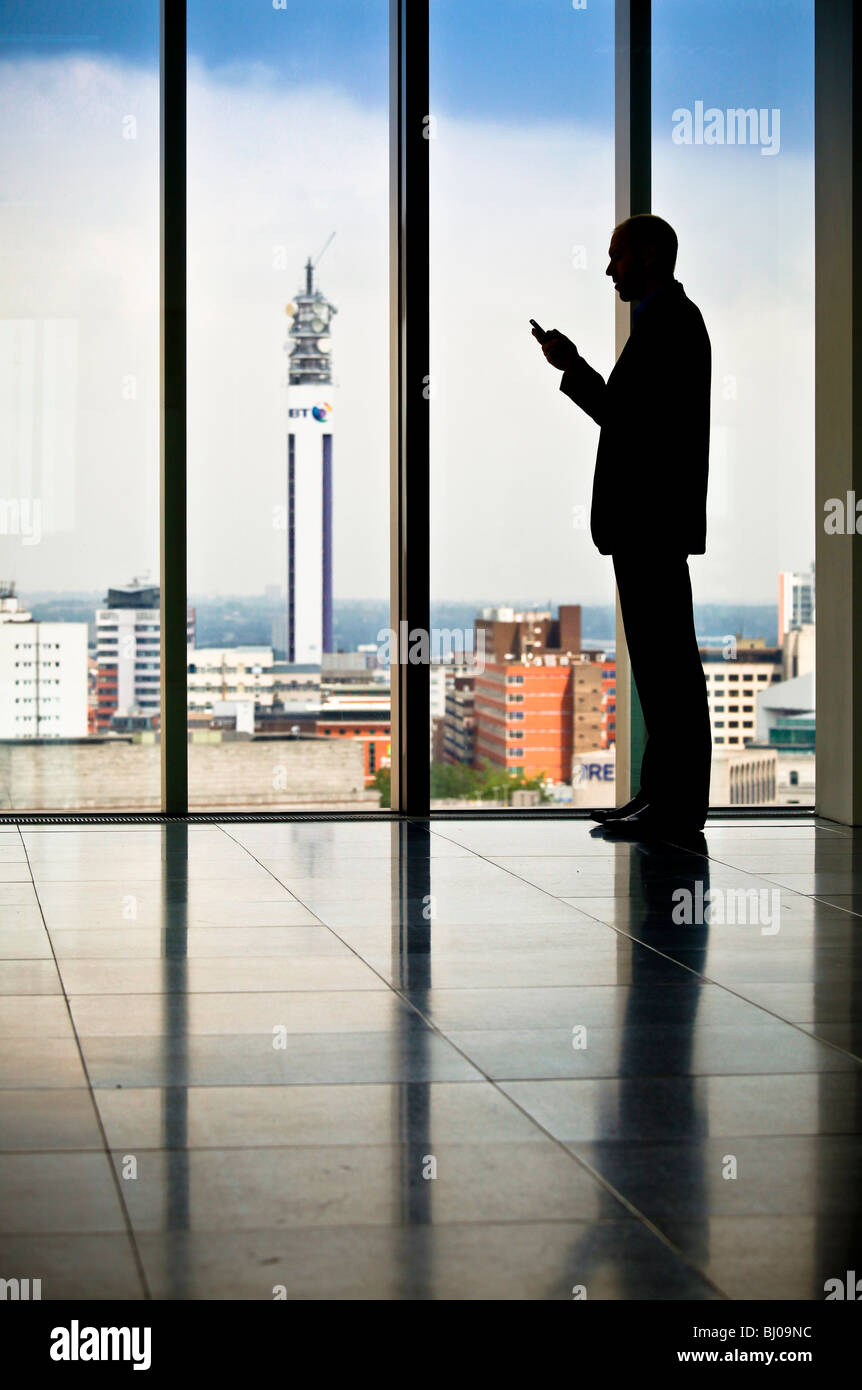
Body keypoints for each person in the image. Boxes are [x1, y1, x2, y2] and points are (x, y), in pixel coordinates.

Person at [534, 214, 712, 840]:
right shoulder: (665, 323)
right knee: (661, 670)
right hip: (649, 526)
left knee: (669, 672)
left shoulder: (673, 325)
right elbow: (632, 416)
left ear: (649, 257)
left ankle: (676, 804)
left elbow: (624, 418)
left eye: (617, 257)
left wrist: (573, 364)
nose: (609, 269)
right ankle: (661, 797)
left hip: (652, 525)